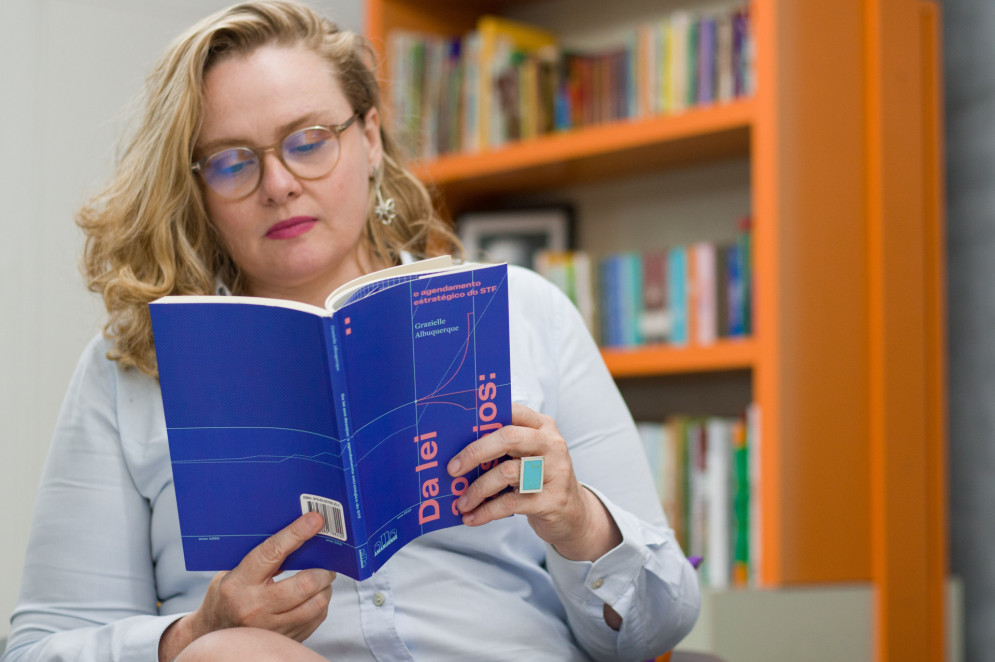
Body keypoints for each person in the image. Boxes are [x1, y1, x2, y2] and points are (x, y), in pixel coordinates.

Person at [1, 2, 700, 661]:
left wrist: (579, 521)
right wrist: (193, 632)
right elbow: (41, 648)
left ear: (367, 140)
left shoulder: (524, 312)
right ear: (197, 191)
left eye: (309, 142)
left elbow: (659, 626)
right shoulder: (130, 367)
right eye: (232, 161)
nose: (277, 183)